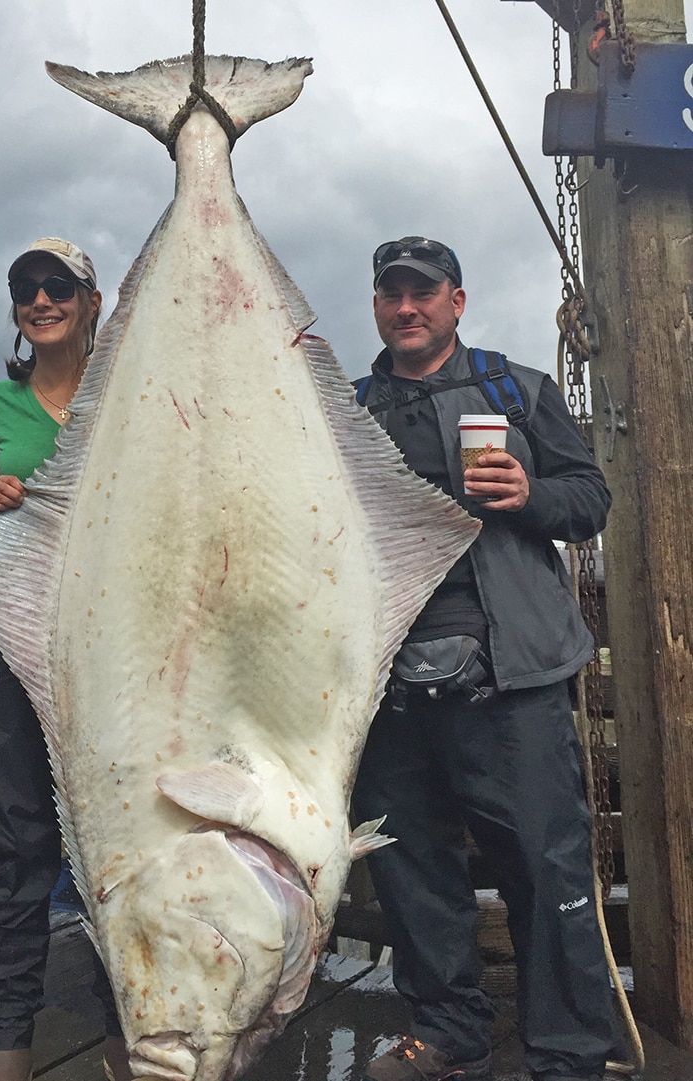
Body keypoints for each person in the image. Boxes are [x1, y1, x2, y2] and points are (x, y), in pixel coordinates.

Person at [351, 237, 620, 1081]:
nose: (407, 307)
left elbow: (590, 498)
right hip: (385, 681)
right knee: (411, 870)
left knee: (545, 864)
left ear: (456, 301)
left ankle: (569, 1053)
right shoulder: (345, 411)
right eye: (391, 294)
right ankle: (449, 1031)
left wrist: (531, 494)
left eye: (423, 292)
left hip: (513, 674)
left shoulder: (517, 390)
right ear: (377, 306)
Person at [0, 237, 130, 1081]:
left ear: (92, 301)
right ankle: (6, 1032)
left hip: (116, 646)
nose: (41, 298)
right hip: (14, 637)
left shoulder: (127, 392)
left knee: (118, 835)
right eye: (26, 287)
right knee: (21, 834)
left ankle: (129, 1022)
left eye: (59, 284)